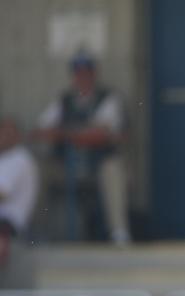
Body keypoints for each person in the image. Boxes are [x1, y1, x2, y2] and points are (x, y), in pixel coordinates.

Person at [34, 50, 129, 244]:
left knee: (113, 169)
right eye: (78, 72)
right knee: (38, 169)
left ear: (94, 74)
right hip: (66, 164)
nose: (82, 77)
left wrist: (66, 133)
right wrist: (80, 133)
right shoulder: (65, 99)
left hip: (96, 164)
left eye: (87, 72)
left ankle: (119, 233)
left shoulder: (108, 97)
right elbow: (40, 131)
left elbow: (100, 136)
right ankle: (35, 233)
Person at [0, 118, 38, 288]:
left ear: (17, 136)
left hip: (8, 226)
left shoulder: (19, 158)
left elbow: (2, 194)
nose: (3, 136)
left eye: (8, 132)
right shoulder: (4, 158)